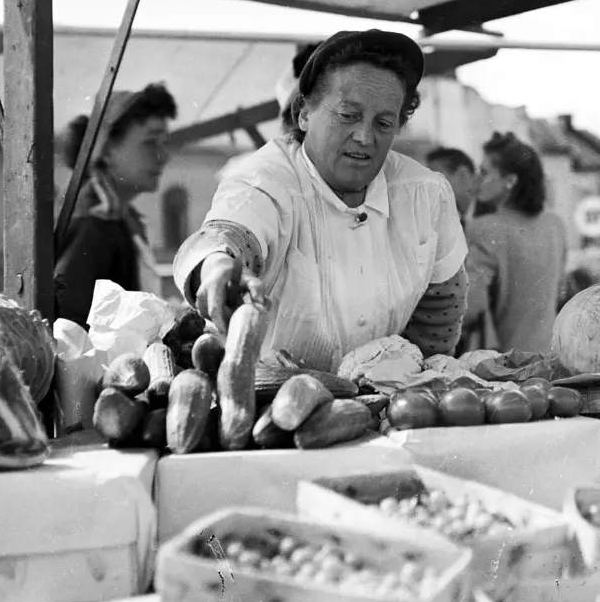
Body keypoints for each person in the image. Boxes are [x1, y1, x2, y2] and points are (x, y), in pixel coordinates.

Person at [173, 30, 469, 369]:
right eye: (347, 115)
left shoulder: (426, 194)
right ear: (303, 113)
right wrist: (217, 266)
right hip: (270, 402)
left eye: (384, 123)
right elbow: (227, 235)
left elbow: (441, 309)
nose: (364, 137)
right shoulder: (265, 178)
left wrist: (408, 386)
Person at [54, 84, 177, 328]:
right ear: (107, 149)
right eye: (151, 142)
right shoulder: (92, 224)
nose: (163, 156)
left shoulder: (121, 218)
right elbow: (69, 326)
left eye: (164, 143)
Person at [461, 132, 567, 355]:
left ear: (510, 180)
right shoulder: (555, 225)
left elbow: (469, 306)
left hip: (502, 367)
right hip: (548, 359)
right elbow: (560, 293)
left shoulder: (483, 228)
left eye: (484, 172)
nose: (476, 180)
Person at [425, 147, 478, 229]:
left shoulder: (495, 211)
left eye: (435, 178)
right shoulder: (440, 216)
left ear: (463, 176)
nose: (428, 185)